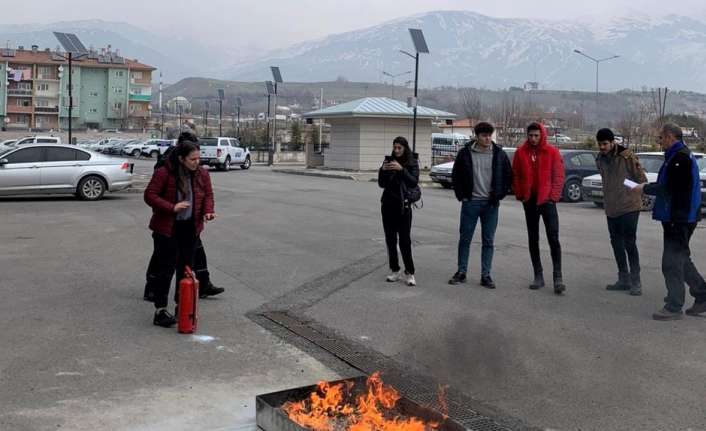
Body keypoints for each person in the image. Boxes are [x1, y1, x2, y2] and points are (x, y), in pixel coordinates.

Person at [633, 123, 706, 320]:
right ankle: (702, 295)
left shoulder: (680, 157)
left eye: (661, 138)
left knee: (671, 262)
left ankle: (674, 306)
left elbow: (670, 189)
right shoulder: (676, 156)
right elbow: (669, 185)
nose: (660, 141)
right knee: (681, 258)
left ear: (671, 137)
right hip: (679, 216)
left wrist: (645, 188)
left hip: (680, 217)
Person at [144, 134, 216, 327]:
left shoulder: (202, 173)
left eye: (198, 158)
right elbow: (150, 195)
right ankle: (160, 310)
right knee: (165, 270)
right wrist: (171, 207)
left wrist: (208, 211)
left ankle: (181, 306)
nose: (196, 162)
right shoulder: (164, 172)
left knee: (186, 270)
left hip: (190, 229)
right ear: (181, 158)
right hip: (167, 229)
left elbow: (208, 195)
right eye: (192, 159)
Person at [448, 122, 512, 288]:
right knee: (465, 238)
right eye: (484, 135)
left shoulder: (499, 154)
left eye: (490, 135)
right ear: (477, 136)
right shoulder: (465, 154)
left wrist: (499, 195)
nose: (487, 138)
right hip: (471, 203)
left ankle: (486, 275)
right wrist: (462, 196)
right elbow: (457, 176)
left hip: (491, 204)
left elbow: (508, 177)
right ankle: (461, 272)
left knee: (488, 241)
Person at [512, 122, 566, 295]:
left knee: (553, 238)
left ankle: (558, 277)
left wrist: (553, 197)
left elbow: (558, 175)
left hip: (547, 201)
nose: (533, 138)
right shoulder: (521, 152)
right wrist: (520, 194)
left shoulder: (552, 152)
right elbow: (516, 175)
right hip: (530, 201)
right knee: (533, 238)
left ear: (542, 135)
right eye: (531, 135)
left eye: (537, 135)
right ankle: (538, 275)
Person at [595, 128, 648, 296]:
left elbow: (641, 180)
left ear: (612, 142)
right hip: (612, 208)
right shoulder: (600, 159)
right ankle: (623, 278)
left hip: (629, 207)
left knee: (629, 242)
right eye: (600, 144)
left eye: (605, 144)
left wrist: (626, 186)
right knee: (616, 243)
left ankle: (635, 281)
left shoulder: (627, 157)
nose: (602, 147)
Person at [378, 136, 420, 287]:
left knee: (404, 241)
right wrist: (383, 170)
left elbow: (413, 182)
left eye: (399, 148)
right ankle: (394, 269)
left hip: (404, 206)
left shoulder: (412, 162)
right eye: (394, 148)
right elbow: (381, 184)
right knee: (390, 240)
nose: (396, 151)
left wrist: (401, 170)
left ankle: (410, 272)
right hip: (388, 205)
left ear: (405, 148)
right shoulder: (388, 162)